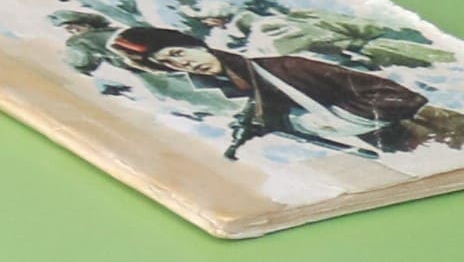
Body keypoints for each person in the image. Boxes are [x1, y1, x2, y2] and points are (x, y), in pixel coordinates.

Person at [105, 25, 464, 161]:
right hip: (399, 145)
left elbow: (390, 93)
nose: (182, 63)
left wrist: (339, 120)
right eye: (169, 63)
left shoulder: (284, 67)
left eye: (178, 52)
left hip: (432, 131)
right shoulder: (240, 85)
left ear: (194, 43)